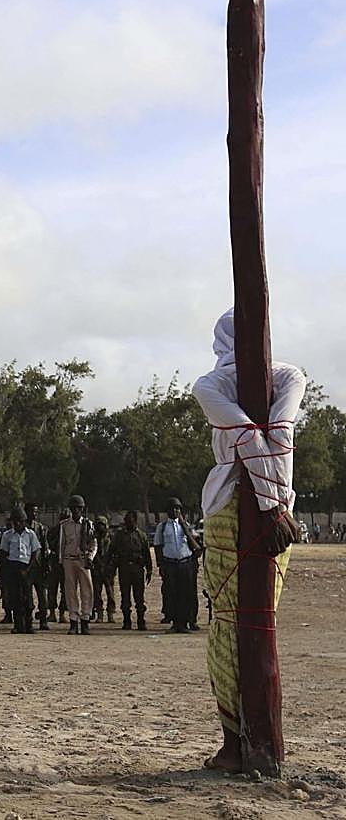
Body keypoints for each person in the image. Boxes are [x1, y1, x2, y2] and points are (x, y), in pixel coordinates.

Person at [192, 307, 304, 772]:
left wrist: (270, 507)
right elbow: (269, 439)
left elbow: (260, 437)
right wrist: (275, 504)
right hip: (274, 510)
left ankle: (237, 741)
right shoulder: (284, 378)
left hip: (236, 508)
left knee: (237, 624)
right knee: (236, 622)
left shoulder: (213, 385)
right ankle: (238, 738)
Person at [154, 497, 202, 634]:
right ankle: (175, 623)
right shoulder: (162, 527)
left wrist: (184, 525)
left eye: (178, 508)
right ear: (167, 510)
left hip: (185, 564)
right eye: (173, 508)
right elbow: (158, 546)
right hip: (170, 564)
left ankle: (185, 622)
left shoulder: (185, 525)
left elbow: (196, 547)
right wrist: (160, 566)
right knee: (172, 594)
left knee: (186, 594)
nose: (175, 511)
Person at [58, 494, 96, 635]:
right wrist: (61, 562)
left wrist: (90, 557)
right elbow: (62, 544)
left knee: (87, 591)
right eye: (73, 508)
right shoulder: (65, 525)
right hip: (69, 559)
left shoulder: (88, 524)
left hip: (83, 559)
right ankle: (73, 621)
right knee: (70, 592)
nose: (76, 511)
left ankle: (85, 620)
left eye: (78, 508)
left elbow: (93, 543)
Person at [108, 510, 152, 631]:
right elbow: (112, 551)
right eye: (126, 520)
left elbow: (147, 553)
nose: (127, 522)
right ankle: (126, 621)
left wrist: (149, 569)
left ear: (135, 521)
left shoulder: (141, 536)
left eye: (130, 520)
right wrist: (110, 568)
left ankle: (141, 621)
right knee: (125, 596)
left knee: (139, 597)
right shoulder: (119, 535)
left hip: (138, 569)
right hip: (124, 568)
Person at [0, 506, 41, 634]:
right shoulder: (7, 535)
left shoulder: (31, 534)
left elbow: (36, 551)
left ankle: (29, 624)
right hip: (12, 567)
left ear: (24, 521)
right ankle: (18, 625)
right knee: (15, 597)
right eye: (15, 521)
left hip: (26, 567)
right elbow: (3, 553)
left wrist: (28, 569)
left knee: (27, 597)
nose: (17, 524)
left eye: (20, 521)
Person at [25, 503, 50, 631]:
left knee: (42, 595)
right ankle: (28, 620)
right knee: (27, 595)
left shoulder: (40, 528)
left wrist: (46, 565)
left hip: (39, 566)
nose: (34, 514)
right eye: (32, 511)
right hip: (26, 566)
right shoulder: (22, 528)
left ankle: (43, 620)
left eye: (36, 512)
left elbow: (45, 547)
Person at [91, 516, 117, 622]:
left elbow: (114, 553)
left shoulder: (111, 538)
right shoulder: (93, 538)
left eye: (102, 524)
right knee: (97, 593)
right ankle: (99, 614)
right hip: (96, 568)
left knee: (110, 593)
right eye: (98, 524)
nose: (100, 527)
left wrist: (111, 566)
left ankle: (110, 614)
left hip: (108, 569)